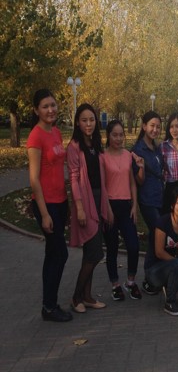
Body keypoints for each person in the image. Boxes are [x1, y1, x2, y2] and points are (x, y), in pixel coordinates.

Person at [27, 89, 72, 322]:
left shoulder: (55, 132)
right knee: (60, 254)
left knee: (52, 254)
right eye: (45, 106)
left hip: (60, 201)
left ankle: (49, 304)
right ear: (36, 110)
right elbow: (34, 179)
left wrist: (67, 204)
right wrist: (44, 214)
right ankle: (49, 306)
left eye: (53, 105)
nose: (50, 110)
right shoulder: (36, 136)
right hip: (46, 204)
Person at [67, 104, 108, 313]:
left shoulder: (95, 144)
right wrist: (80, 208)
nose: (89, 124)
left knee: (90, 254)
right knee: (94, 253)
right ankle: (76, 297)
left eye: (92, 120)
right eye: (84, 120)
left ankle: (87, 296)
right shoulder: (74, 146)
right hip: (85, 201)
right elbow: (73, 178)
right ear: (77, 122)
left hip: (99, 199)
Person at [102, 120, 142, 301]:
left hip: (126, 206)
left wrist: (134, 205)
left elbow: (132, 182)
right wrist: (107, 209)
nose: (118, 138)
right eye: (115, 135)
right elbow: (103, 186)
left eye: (121, 135)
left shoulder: (128, 155)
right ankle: (115, 285)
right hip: (110, 206)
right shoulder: (102, 157)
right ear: (108, 136)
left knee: (133, 245)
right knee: (112, 248)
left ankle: (130, 282)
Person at [145, 187, 178, 316]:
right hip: (154, 270)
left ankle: (171, 284)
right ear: (172, 205)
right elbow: (159, 252)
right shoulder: (163, 222)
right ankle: (170, 302)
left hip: (173, 266)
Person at [132, 111, 164, 295]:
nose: (155, 129)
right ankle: (149, 277)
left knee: (156, 236)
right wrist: (141, 168)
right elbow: (139, 180)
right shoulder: (138, 150)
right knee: (157, 234)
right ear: (144, 126)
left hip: (160, 197)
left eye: (158, 126)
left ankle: (155, 276)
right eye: (152, 125)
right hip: (147, 199)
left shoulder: (156, 147)